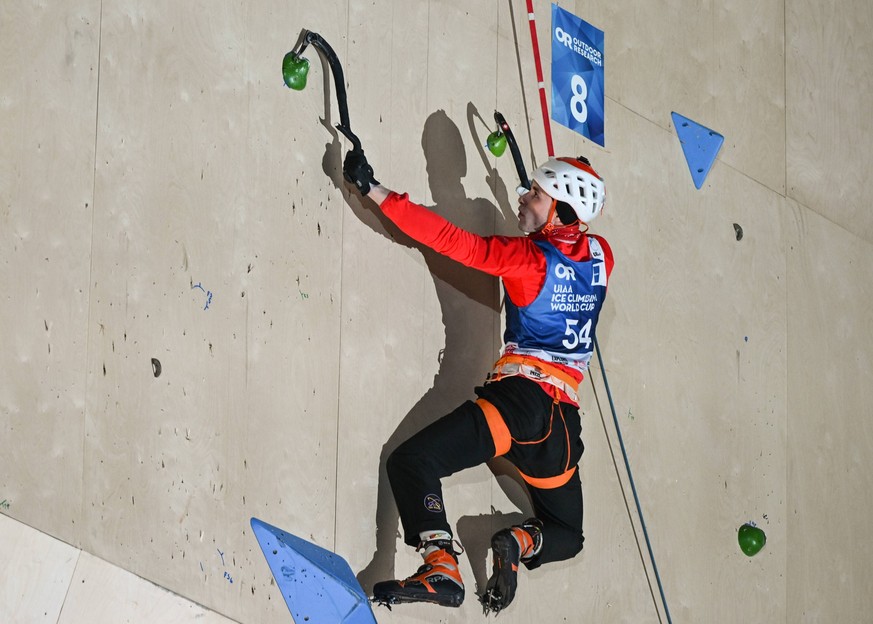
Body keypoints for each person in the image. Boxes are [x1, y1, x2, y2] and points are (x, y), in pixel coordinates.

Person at [342, 146, 614, 614]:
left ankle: (442, 564)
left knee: (412, 462)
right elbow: (571, 247)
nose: (522, 199)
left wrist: (376, 190)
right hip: (562, 429)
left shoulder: (527, 260)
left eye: (534, 193)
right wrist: (548, 209)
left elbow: (452, 241)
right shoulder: (602, 256)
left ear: (561, 208)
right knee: (568, 535)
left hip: (518, 402)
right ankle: (517, 541)